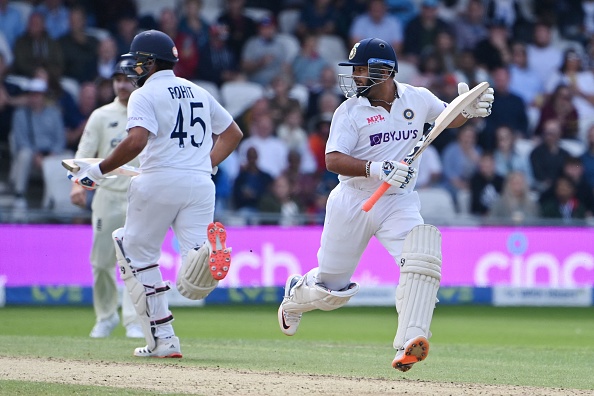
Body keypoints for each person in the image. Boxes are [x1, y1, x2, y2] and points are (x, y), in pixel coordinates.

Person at [276, 38, 494, 371]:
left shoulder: (417, 98)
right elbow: (332, 159)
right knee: (332, 292)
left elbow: (446, 120)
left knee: (423, 257)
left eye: (363, 70)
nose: (357, 76)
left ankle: (409, 342)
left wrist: (468, 110)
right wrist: (375, 168)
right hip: (353, 200)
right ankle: (296, 295)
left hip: (398, 201)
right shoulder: (348, 112)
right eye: (356, 70)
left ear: (385, 70)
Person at [66, 30, 243, 358]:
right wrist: (206, 163)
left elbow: (136, 141)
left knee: (131, 250)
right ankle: (206, 253)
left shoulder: (144, 95)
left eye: (137, 63)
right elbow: (233, 133)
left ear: (150, 63)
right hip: (201, 184)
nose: (133, 70)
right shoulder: (198, 91)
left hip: (158, 181)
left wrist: (97, 171)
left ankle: (162, 338)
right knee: (192, 270)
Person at [69, 61, 143, 339]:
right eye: (117, 80)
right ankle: (106, 317)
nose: (121, 84)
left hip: (140, 196)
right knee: (101, 262)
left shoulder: (147, 111)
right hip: (107, 196)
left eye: (126, 79)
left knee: (135, 261)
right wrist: (77, 185)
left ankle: (134, 321)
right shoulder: (101, 116)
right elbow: (84, 153)